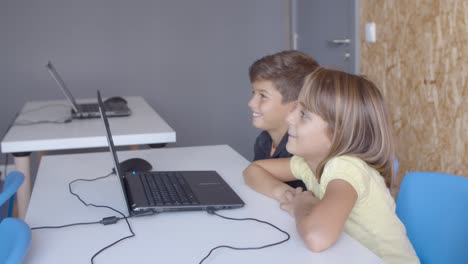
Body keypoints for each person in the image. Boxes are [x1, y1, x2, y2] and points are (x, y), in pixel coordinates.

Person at [243, 68, 419, 263]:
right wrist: (287, 195)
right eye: (295, 109)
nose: (289, 118)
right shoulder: (308, 163)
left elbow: (316, 237)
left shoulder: (345, 167)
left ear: (337, 134)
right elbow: (254, 170)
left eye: (304, 115)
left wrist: (302, 205)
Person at [248, 50, 319, 189]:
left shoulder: (304, 150)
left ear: (296, 105)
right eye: (253, 93)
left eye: (263, 96)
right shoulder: (264, 141)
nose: (251, 103)